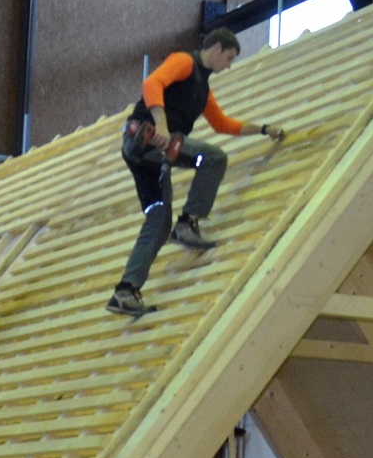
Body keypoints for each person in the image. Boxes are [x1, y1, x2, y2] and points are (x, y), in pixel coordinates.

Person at [108, 28, 285, 318]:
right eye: (229, 58)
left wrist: (263, 130)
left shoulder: (202, 92)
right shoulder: (185, 62)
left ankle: (125, 291)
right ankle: (188, 223)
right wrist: (161, 125)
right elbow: (152, 83)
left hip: (150, 158)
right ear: (216, 49)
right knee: (214, 158)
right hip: (146, 138)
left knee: (158, 220)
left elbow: (222, 124)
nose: (229, 65)